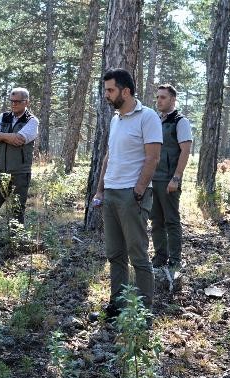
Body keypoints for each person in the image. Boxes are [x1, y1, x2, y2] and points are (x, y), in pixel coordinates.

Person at [92, 68, 163, 318]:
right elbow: (109, 156)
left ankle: (143, 311)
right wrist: (100, 189)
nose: (107, 95)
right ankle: (117, 304)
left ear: (126, 90)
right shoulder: (115, 119)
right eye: (106, 90)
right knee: (115, 254)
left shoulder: (148, 117)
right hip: (111, 193)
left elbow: (153, 157)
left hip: (132, 196)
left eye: (110, 90)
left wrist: (139, 190)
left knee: (138, 255)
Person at [0, 87, 39, 236]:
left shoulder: (32, 121)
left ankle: (16, 239)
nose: (14, 104)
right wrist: (8, 137)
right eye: (12, 101)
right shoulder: (4, 116)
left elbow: (20, 140)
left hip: (20, 172)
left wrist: (1, 135)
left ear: (27, 102)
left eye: (18, 101)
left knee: (17, 208)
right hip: (1, 171)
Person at [150, 84, 193, 280]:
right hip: (153, 179)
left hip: (169, 180)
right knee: (156, 221)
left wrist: (176, 177)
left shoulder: (180, 122)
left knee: (171, 221)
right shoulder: (155, 120)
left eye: (163, 97)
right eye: (158, 97)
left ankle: (175, 259)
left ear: (173, 100)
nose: (159, 100)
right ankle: (160, 256)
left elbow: (185, 151)